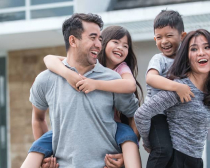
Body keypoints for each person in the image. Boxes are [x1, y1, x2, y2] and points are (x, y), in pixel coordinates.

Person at [21, 13, 139, 168]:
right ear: (73, 40)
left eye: (100, 39)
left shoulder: (113, 79)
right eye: (92, 37)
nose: (98, 44)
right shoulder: (46, 80)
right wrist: (47, 156)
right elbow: (38, 119)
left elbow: (135, 117)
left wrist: (125, 154)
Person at [135, 29, 210, 168]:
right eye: (194, 49)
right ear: (187, 57)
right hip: (174, 160)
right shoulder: (180, 88)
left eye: (207, 47)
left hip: (196, 160)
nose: (201, 52)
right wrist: (151, 144)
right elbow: (141, 114)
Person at [144, 10, 193, 168]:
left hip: (176, 117)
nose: (164, 41)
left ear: (182, 36)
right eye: (159, 37)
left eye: (169, 35)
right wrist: (177, 87)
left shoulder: (187, 60)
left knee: (176, 155)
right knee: (163, 150)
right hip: (157, 115)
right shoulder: (159, 59)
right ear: (154, 39)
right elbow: (151, 78)